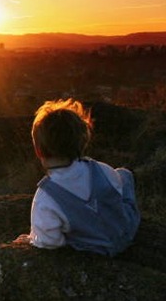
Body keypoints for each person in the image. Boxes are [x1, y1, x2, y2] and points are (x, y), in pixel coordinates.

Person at [14, 99, 140, 256]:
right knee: (123, 174)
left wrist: (32, 239)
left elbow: (50, 241)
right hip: (127, 231)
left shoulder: (46, 197)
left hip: (95, 249)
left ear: (38, 151)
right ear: (81, 142)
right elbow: (117, 192)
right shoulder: (101, 169)